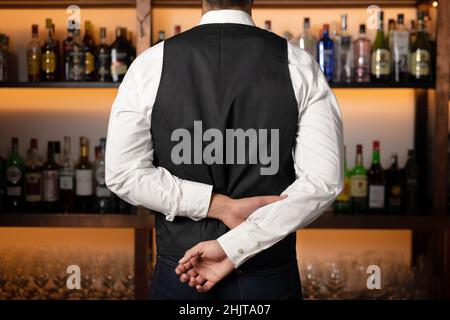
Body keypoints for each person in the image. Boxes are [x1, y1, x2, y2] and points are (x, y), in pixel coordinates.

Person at [105, 0, 343, 300]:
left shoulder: (150, 64)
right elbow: (323, 182)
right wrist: (237, 239)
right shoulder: (299, 65)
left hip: (182, 274)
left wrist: (214, 206)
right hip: (268, 279)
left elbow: (123, 173)